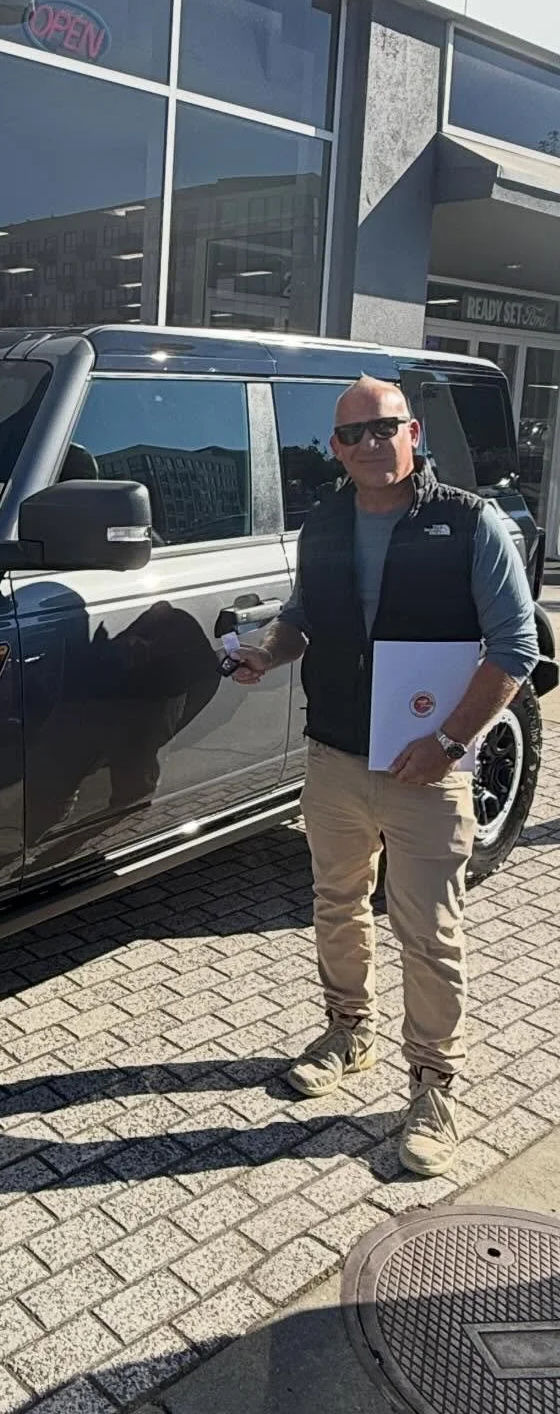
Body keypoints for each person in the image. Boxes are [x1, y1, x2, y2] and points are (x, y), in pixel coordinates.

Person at [228, 375, 539, 1176]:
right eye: (354, 434)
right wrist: (269, 649)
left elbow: (515, 649)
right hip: (333, 758)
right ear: (335, 448)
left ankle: (434, 1087)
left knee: (430, 936)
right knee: (336, 905)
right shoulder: (325, 523)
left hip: (426, 771)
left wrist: (448, 741)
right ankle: (347, 1033)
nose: (371, 444)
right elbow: (305, 618)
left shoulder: (467, 523)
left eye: (386, 428)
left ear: (414, 435)